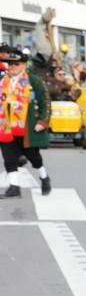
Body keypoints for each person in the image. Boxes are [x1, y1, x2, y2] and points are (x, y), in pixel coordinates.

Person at [0, 46, 51, 197]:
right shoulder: (3, 81)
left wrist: (42, 121)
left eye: (16, 64)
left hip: (27, 127)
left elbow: (45, 102)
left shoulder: (33, 81)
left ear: (23, 64)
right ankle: (14, 187)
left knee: (33, 156)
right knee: (9, 158)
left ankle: (44, 177)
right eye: (10, 64)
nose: (12, 67)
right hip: (6, 127)